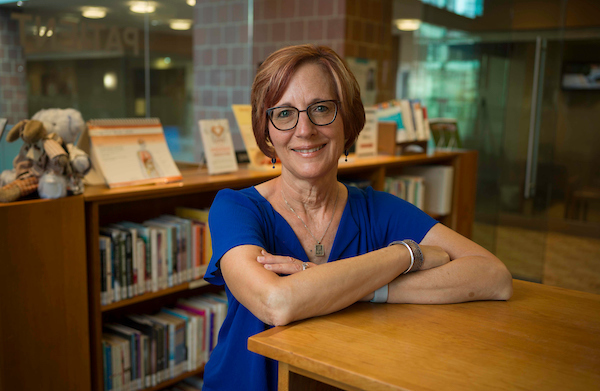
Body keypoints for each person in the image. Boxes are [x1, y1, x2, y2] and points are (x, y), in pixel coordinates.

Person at [202, 44, 513, 391]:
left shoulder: (378, 208)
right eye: (285, 113)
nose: (304, 129)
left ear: (348, 121)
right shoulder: (236, 208)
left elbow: (493, 276)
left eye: (321, 109)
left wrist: (365, 290)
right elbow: (276, 302)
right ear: (267, 130)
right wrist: (403, 255)